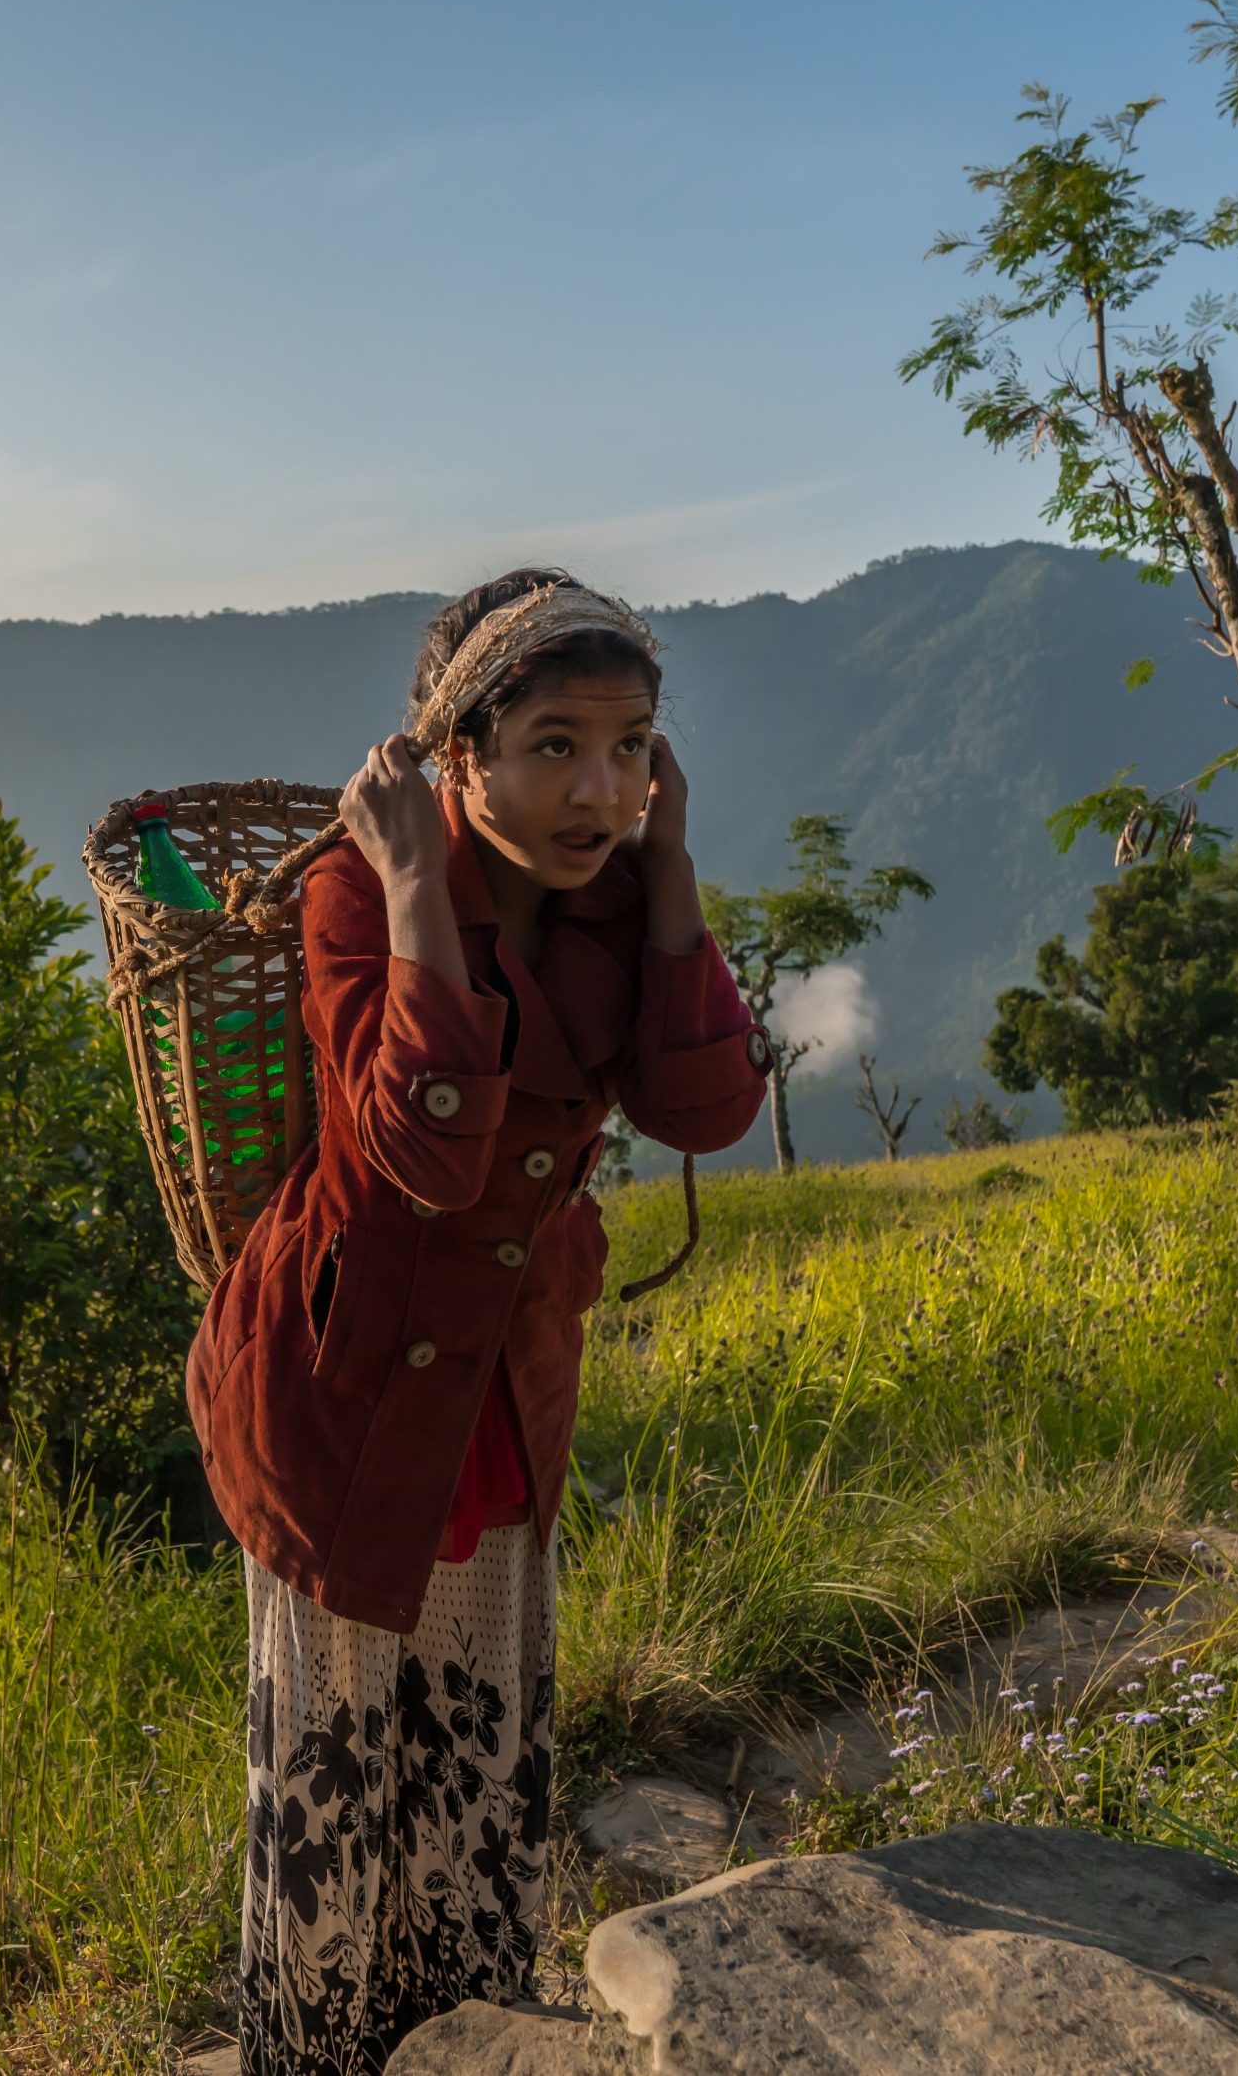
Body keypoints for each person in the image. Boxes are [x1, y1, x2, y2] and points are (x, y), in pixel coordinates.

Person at [185, 568, 771, 2075]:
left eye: (633, 745)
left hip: (503, 1397)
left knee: (477, 1769)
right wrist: (411, 888)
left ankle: (461, 2049)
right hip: (343, 1398)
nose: (601, 789)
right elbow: (427, 1152)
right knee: (333, 1787)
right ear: (459, 759)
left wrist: (679, 863)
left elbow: (704, 1105)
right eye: (556, 745)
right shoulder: (350, 893)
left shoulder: (630, 894)